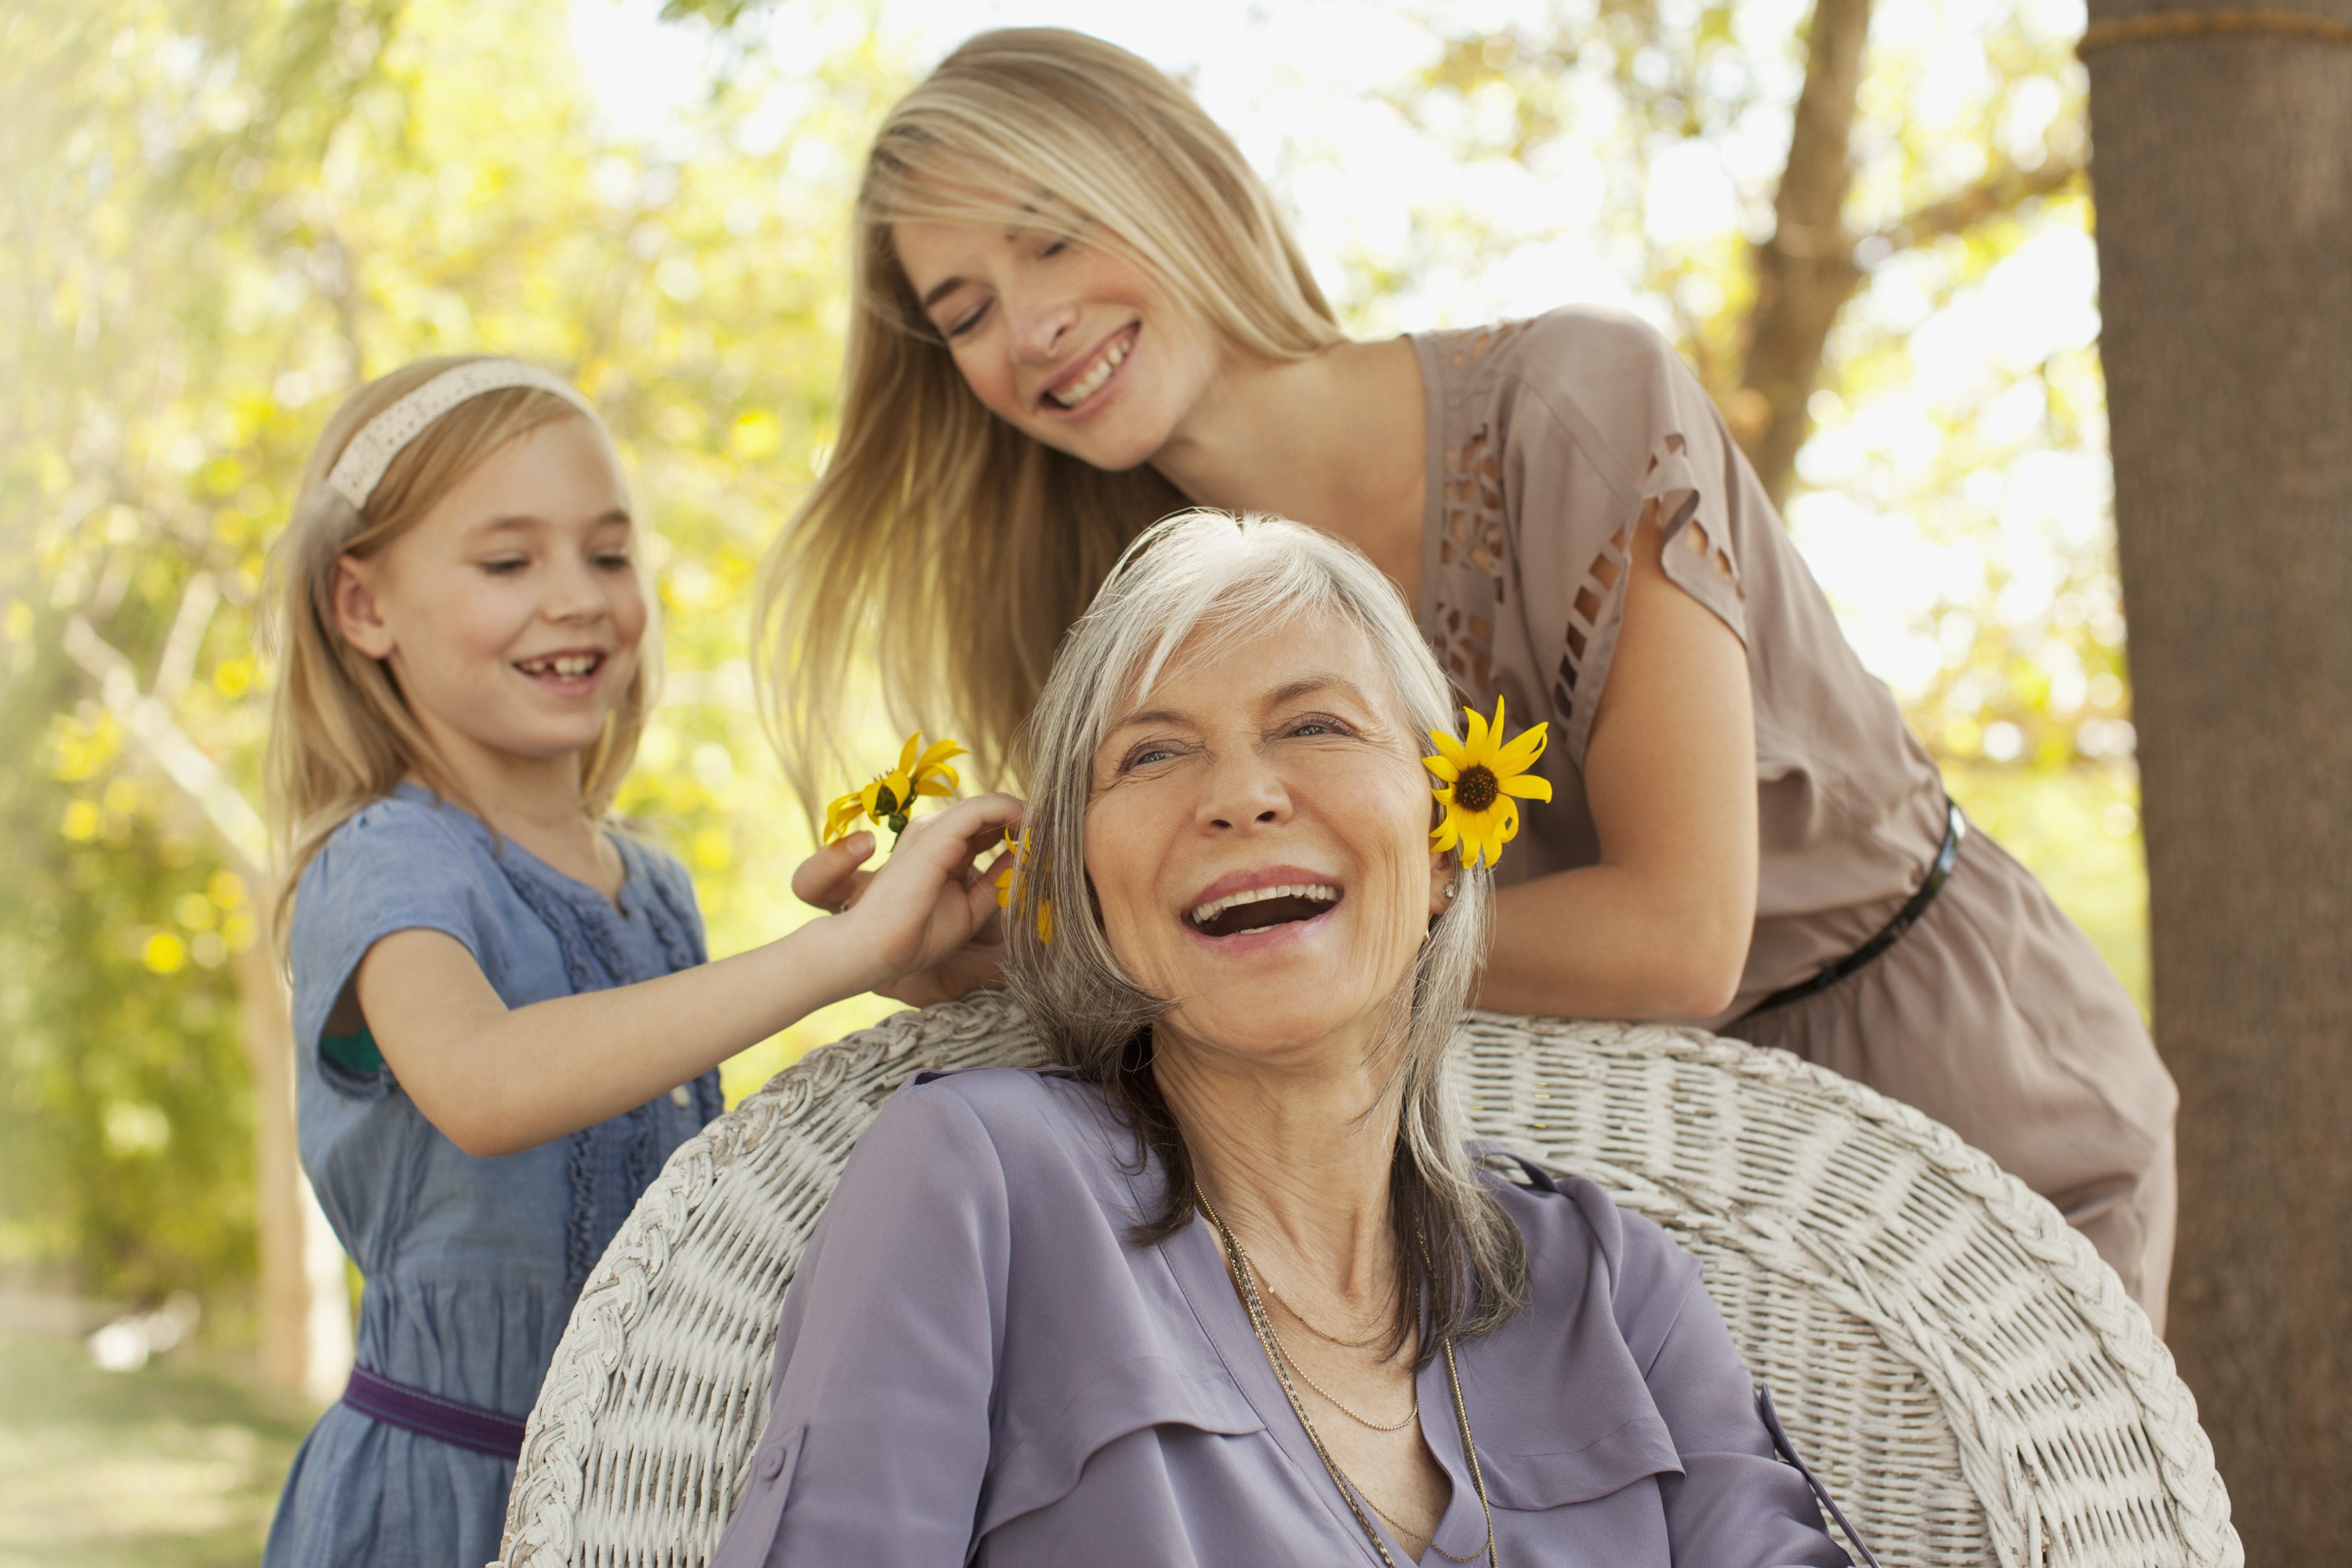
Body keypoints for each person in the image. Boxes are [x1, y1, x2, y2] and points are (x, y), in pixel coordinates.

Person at [756, 27, 2178, 1323]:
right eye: (966, 309)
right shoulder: (1151, 624)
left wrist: (1215, 943)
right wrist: (997, 955)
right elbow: (1223, 1004)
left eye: (1056, 238)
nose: (1032, 324)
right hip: (1610, 1184)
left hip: (1946, 1099)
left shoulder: (1579, 403)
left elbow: (1682, 939)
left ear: (1175, 184)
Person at [725, 512, 1853, 1566]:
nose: (1244, 795)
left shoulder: (1611, 1283)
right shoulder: (978, 1180)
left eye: (1316, 726)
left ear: (1446, 847)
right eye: (1154, 755)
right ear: (1085, 883)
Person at [257, 354, 1022, 1567]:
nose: (577, 599)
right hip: (444, 1503)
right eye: (508, 562)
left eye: (608, 556)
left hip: (647, 1491)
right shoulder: (386, 859)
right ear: (364, 608)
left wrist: (935, 968)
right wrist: (831, 951)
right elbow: (486, 1083)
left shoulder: (652, 884)